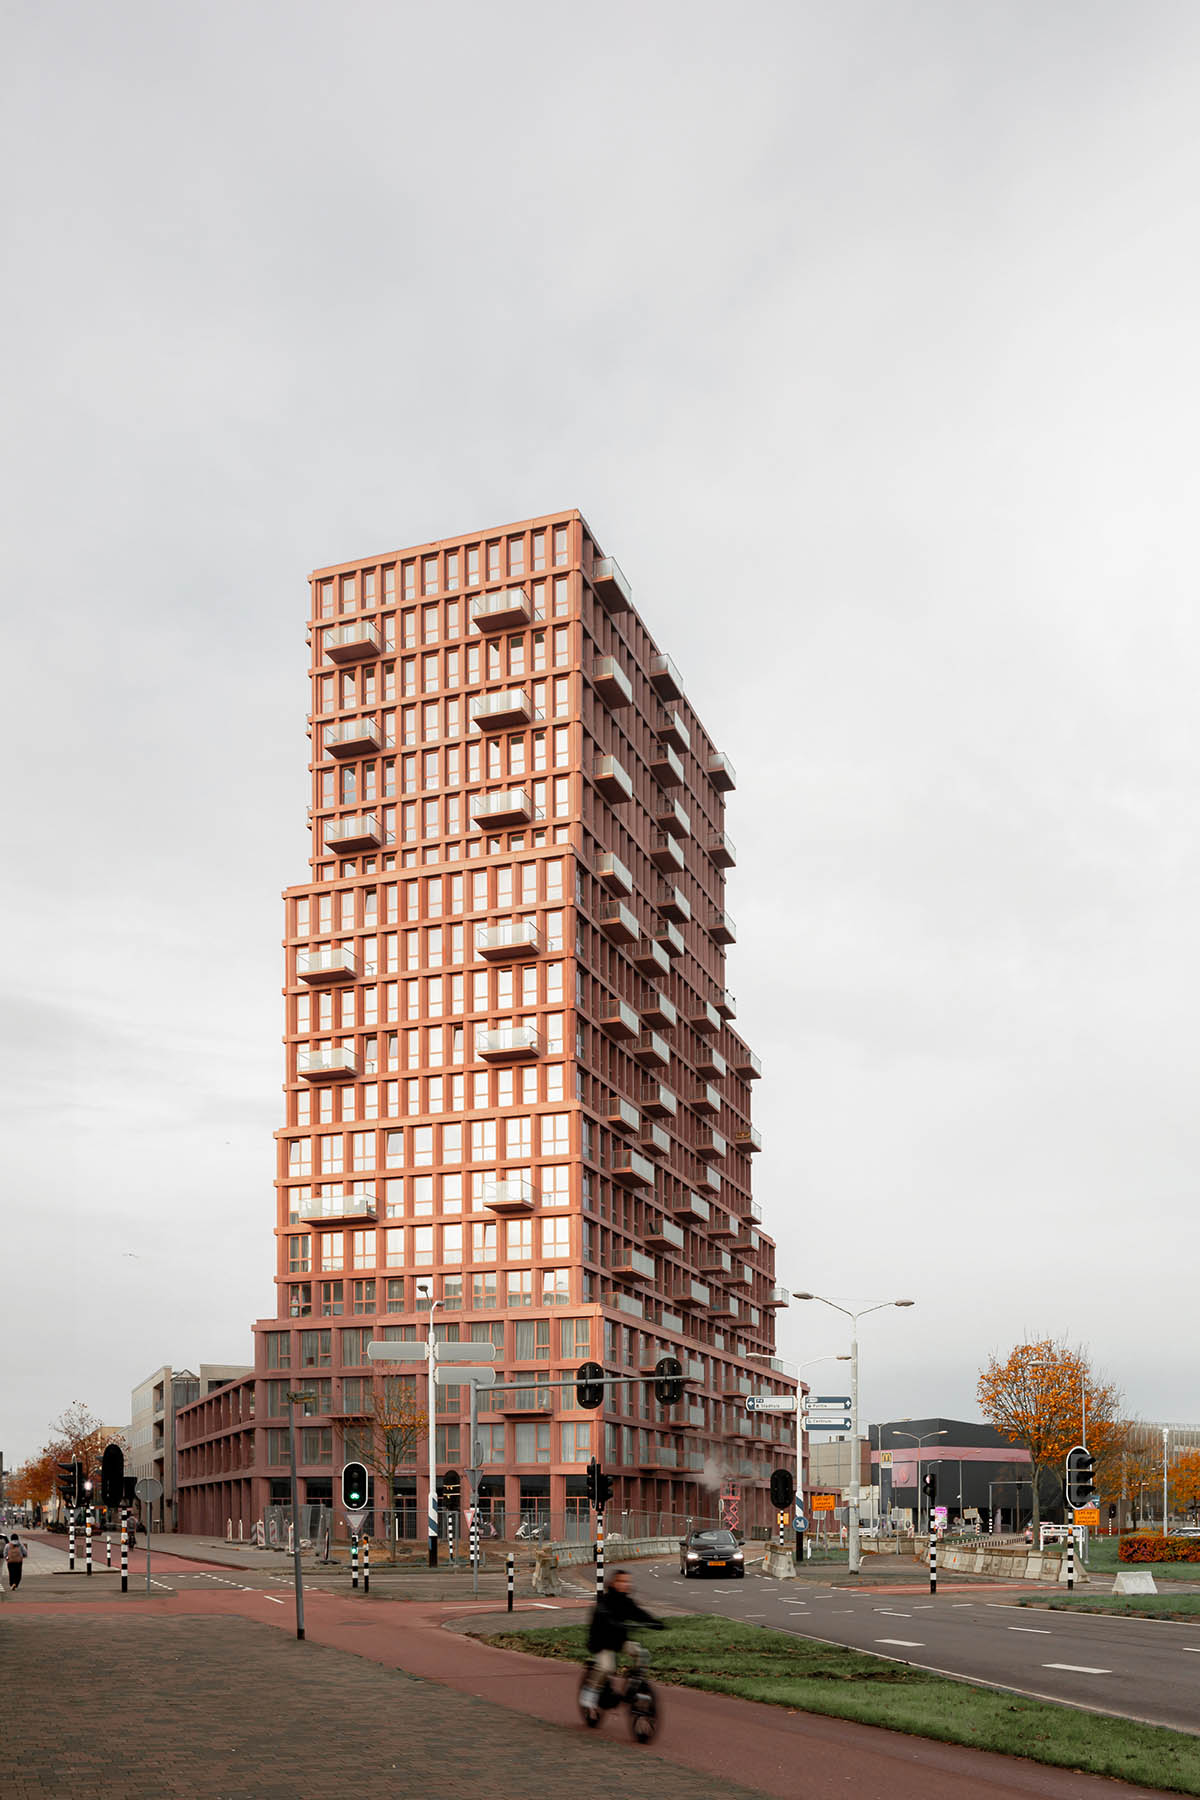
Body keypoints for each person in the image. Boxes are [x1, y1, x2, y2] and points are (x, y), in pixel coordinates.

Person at [583, 1570, 663, 1700]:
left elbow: (638, 1614)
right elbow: (603, 1614)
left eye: (627, 1581)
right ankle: (590, 1691)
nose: (625, 1584)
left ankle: (635, 1683)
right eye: (621, 1581)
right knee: (606, 1668)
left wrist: (654, 1623)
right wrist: (612, 1622)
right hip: (601, 1643)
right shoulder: (604, 1600)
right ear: (613, 1583)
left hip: (620, 1641)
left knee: (643, 1654)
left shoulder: (627, 1601)